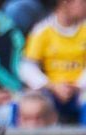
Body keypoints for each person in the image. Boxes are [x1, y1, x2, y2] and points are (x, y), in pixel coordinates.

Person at [20, 0, 86, 128]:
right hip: (51, 90)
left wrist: (78, 85)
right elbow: (27, 66)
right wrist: (51, 86)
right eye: (82, 2)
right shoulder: (42, 30)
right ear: (65, 3)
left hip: (81, 90)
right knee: (28, 103)